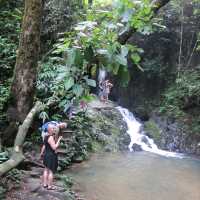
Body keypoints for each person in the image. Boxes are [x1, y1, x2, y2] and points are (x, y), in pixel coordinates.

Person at [40, 124, 62, 190]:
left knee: (46, 169)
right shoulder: (50, 137)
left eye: (54, 128)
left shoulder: (45, 136)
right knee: (51, 171)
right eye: (53, 128)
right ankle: (49, 186)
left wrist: (41, 153)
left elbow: (44, 146)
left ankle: (44, 184)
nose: (54, 129)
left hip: (46, 155)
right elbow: (54, 147)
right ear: (49, 129)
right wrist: (59, 140)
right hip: (51, 156)